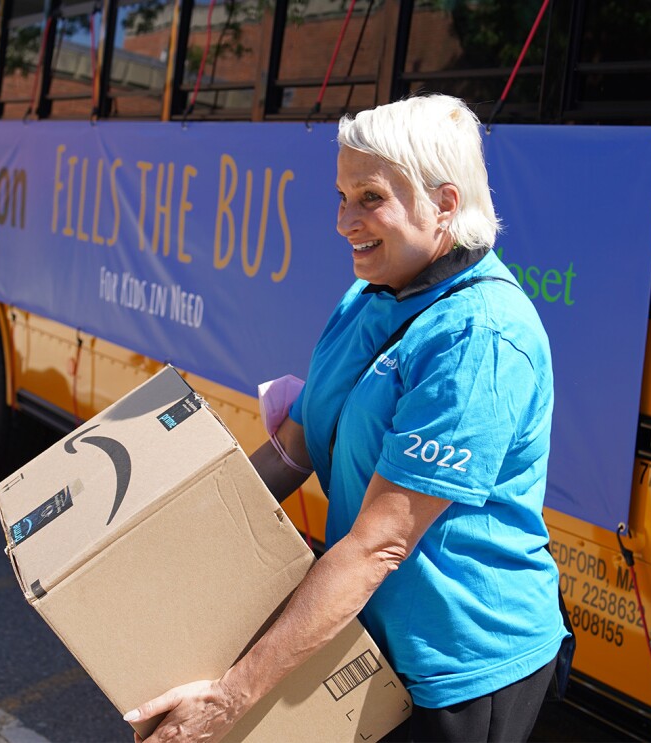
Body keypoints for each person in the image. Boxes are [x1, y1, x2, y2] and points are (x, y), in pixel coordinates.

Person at [124, 93, 565, 743]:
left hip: (462, 669)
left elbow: (377, 543)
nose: (343, 221)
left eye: (369, 197)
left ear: (445, 204)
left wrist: (230, 699)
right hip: (366, 635)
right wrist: (178, 534)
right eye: (341, 196)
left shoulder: (481, 338)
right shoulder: (369, 295)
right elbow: (292, 448)